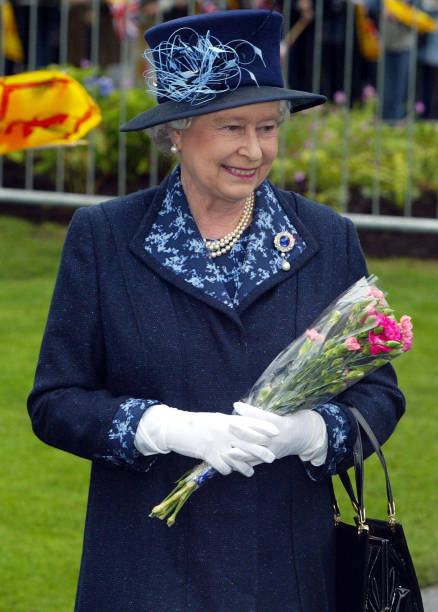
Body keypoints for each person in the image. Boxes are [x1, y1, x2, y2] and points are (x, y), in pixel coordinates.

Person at [27, 9, 405, 611]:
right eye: (232, 127)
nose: (253, 150)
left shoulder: (326, 237)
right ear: (176, 131)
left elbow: (378, 394)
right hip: (146, 570)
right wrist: (163, 428)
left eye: (267, 127)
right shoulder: (104, 237)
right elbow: (56, 402)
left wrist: (309, 434)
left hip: (287, 572)